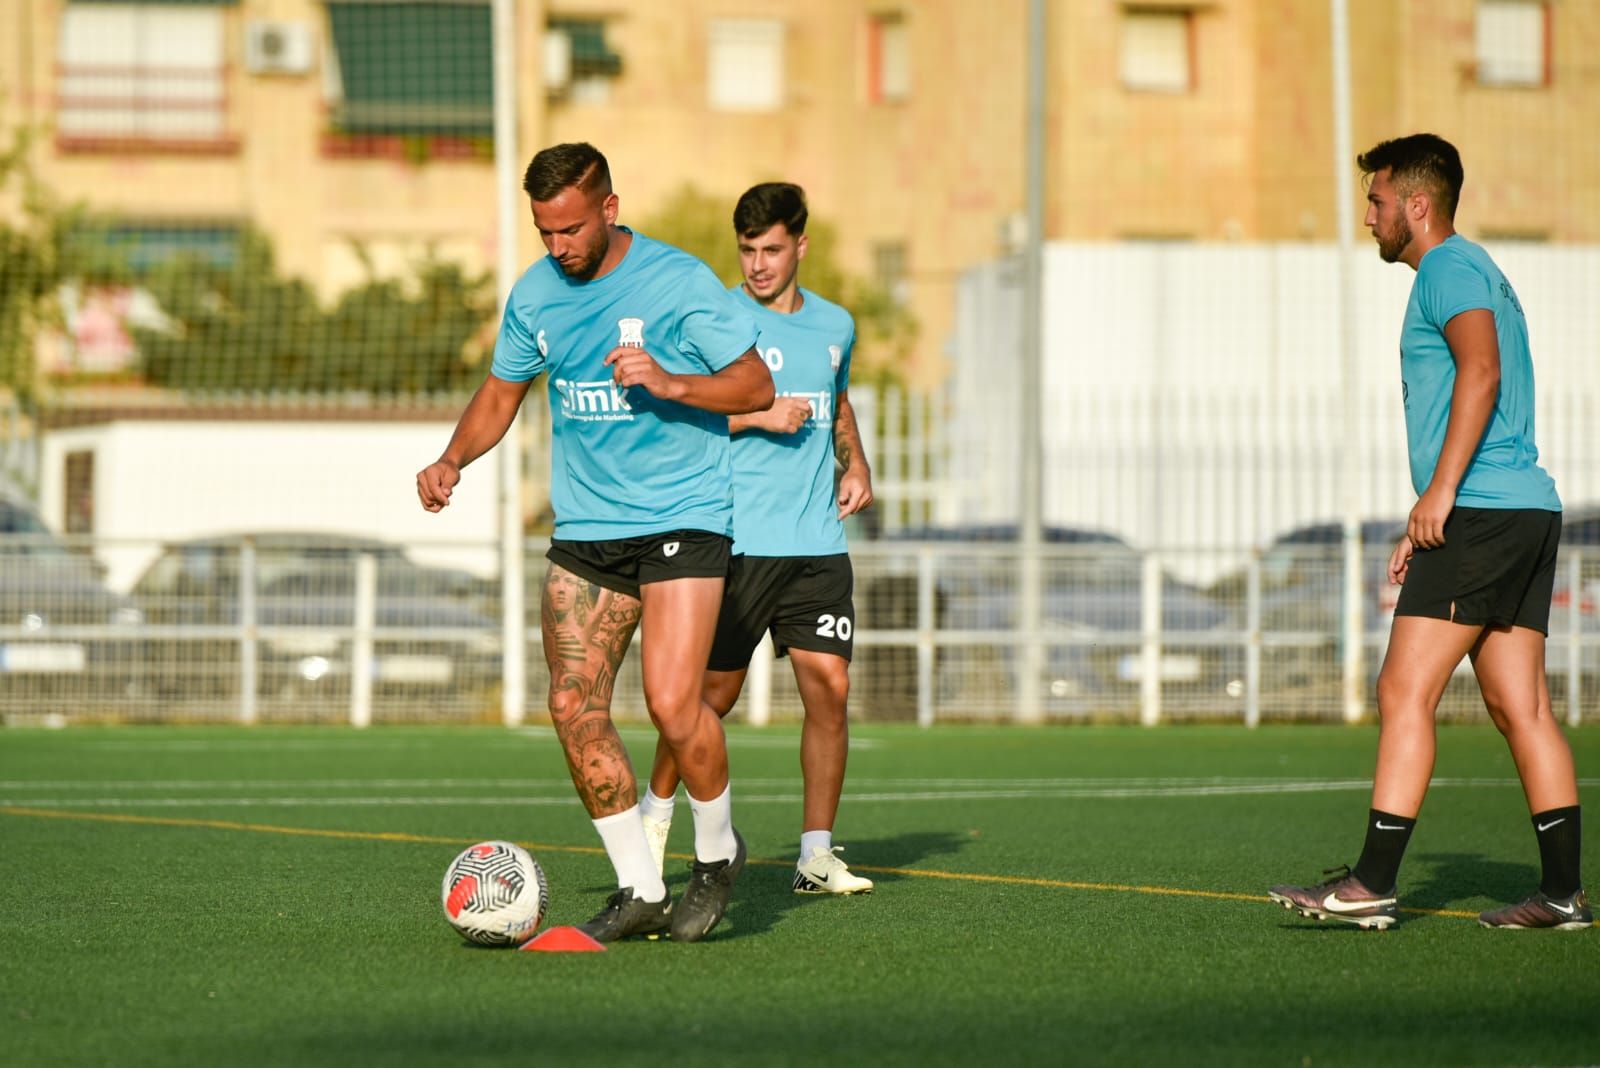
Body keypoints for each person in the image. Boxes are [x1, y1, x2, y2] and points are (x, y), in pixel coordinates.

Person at [416, 143, 774, 943]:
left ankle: (716, 855)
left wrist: (671, 381)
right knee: (573, 703)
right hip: (587, 530)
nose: (558, 247)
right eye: (544, 232)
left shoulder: (678, 282)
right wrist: (452, 458)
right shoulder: (536, 295)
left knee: (675, 707)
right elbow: (503, 389)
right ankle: (638, 886)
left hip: (683, 518)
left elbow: (756, 386)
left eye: (570, 229)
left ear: (609, 208)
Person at [1269, 133, 1588, 931]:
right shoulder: (1476, 268)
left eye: (1376, 201)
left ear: (1417, 204)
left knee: (1402, 688)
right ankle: (1561, 894)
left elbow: (1481, 370)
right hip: (1522, 508)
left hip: (1481, 507)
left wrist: (1440, 494)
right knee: (1523, 708)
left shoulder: (1447, 268)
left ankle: (1371, 883)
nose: (1368, 215)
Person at [639, 182, 877, 896]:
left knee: (829, 689)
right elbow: (670, 416)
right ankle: (652, 826)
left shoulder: (836, 324)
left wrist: (855, 460)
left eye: (771, 249)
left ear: (800, 245)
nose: (757, 263)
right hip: (733, 540)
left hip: (815, 543)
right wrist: (757, 418)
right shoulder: (715, 322)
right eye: (747, 250)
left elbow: (837, 398)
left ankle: (815, 856)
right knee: (707, 698)